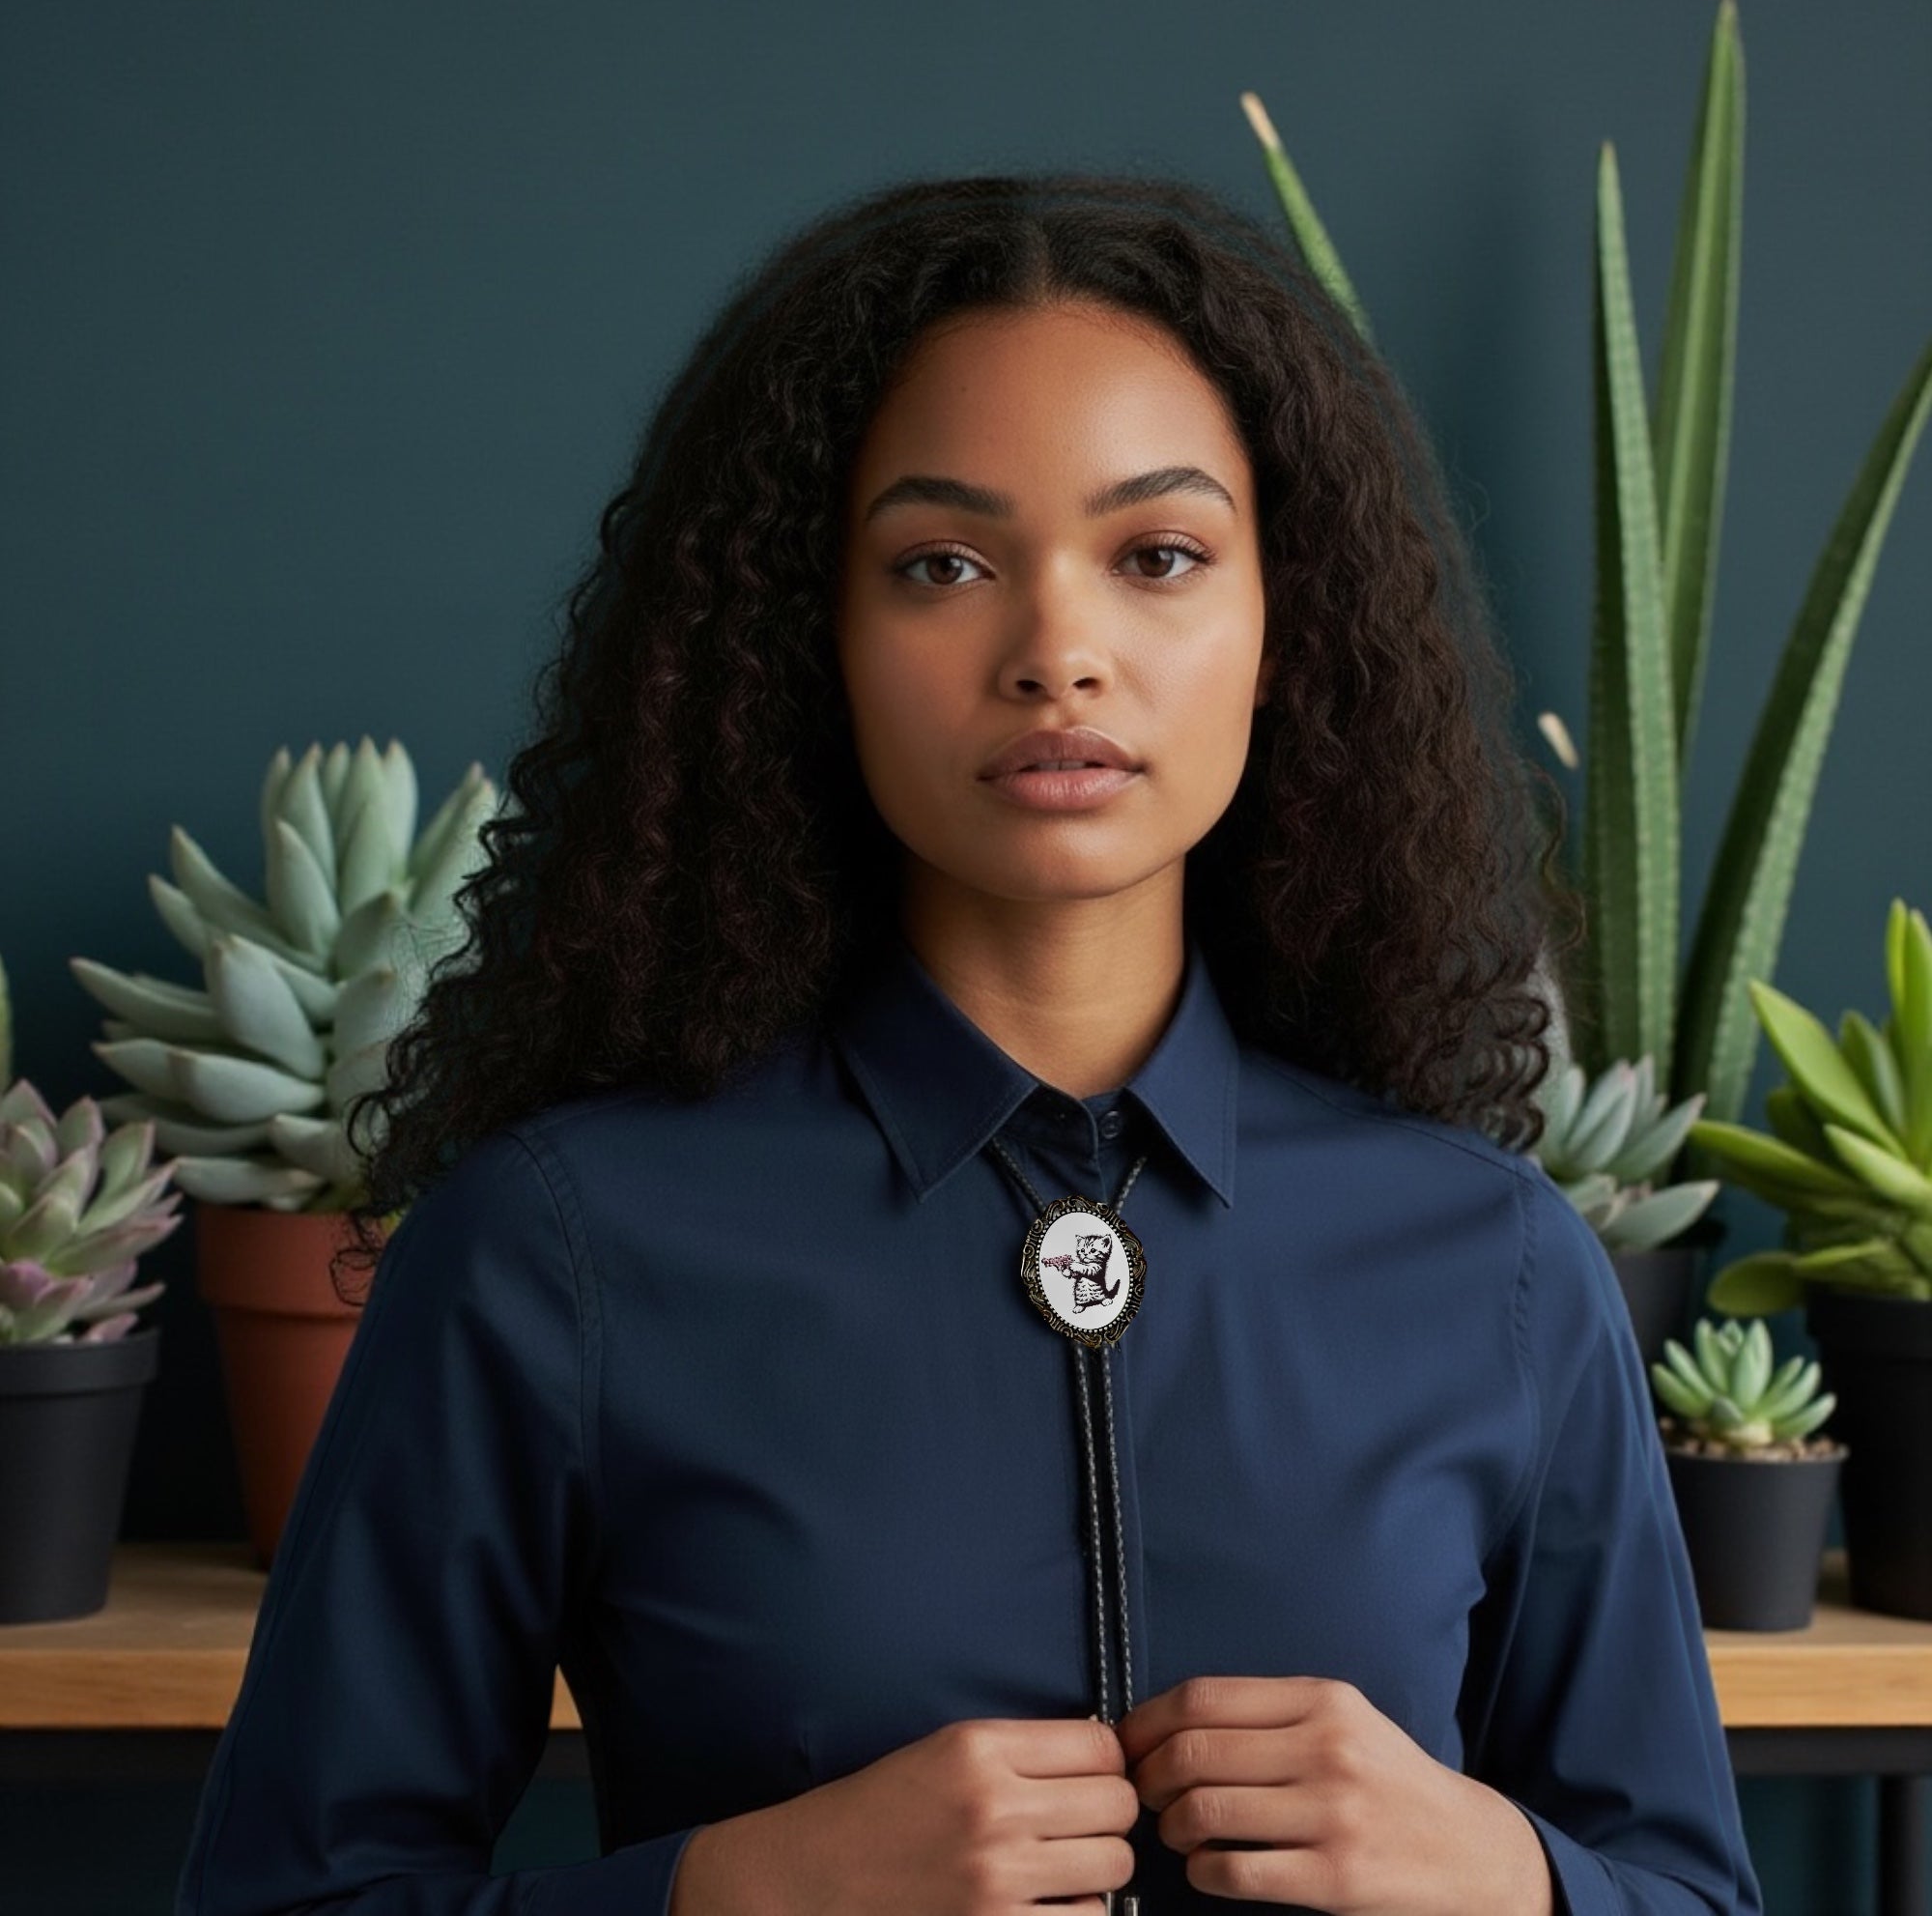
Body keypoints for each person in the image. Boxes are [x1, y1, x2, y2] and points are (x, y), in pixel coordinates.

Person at [173, 171, 1764, 1916]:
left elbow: (1693, 1895)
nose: (1059, 652)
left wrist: (1519, 1883)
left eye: (1159, 556)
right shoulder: (554, 1252)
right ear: (813, 642)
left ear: (1276, 632)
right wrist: (727, 1897)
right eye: (942, 564)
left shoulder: (1500, 1268)